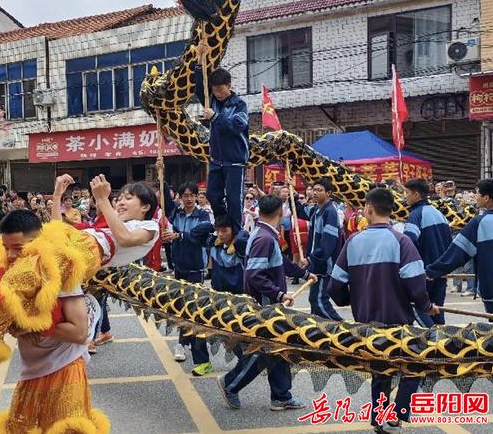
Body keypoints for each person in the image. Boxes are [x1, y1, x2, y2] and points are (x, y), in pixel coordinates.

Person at [329, 188, 439, 433]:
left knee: (381, 369)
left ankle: (379, 417)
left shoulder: (352, 242)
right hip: (399, 321)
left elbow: (334, 286)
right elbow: (416, 286)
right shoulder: (402, 242)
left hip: (366, 322)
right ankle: (398, 413)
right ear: (391, 209)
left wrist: (351, 299)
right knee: (415, 364)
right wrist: (427, 307)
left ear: (368, 208)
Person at [0, 210, 109, 433]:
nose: (11, 255)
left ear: (37, 242)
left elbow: (79, 332)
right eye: (6, 248)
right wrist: (18, 327)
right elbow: (11, 321)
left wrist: (30, 326)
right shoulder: (15, 273)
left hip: (64, 368)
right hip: (33, 370)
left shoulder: (58, 275)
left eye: (18, 248)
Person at [217, 195, 315, 411]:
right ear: (280, 213)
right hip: (266, 306)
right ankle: (231, 383)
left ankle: (281, 395)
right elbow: (254, 275)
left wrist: (305, 273)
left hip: (271, 305)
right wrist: (279, 295)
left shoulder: (265, 234)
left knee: (279, 349)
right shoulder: (264, 238)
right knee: (263, 351)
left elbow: (280, 263)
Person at [53, 174, 159, 268]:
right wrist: (57, 195)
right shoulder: (108, 224)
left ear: (145, 207)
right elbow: (57, 231)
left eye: (128, 198)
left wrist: (102, 199)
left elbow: (126, 239)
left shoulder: (150, 226)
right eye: (119, 199)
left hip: (73, 263)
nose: (120, 203)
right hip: (63, 254)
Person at [426, 179, 493, 314]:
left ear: (487, 198)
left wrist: (431, 272)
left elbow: (456, 254)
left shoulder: (479, 223)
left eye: (477, 193)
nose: (475, 197)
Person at [161, 182, 211, 373]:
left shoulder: (203, 216)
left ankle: (183, 342)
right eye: (185, 196)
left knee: (193, 309)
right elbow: (165, 203)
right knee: (181, 306)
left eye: (192, 195)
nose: (188, 199)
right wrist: (163, 178)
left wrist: (178, 236)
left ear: (197, 197)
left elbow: (197, 236)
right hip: (179, 266)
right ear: (180, 198)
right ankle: (185, 341)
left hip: (196, 268)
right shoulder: (177, 214)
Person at [203, 68, 249, 233]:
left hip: (235, 161)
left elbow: (237, 126)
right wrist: (199, 66)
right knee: (212, 196)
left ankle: (237, 234)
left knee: (234, 200)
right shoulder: (211, 100)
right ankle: (223, 226)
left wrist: (215, 117)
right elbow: (199, 85)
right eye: (214, 90)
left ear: (229, 86)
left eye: (221, 90)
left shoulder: (239, 104)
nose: (217, 94)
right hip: (216, 160)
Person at [402, 179, 452, 326]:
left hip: (424, 271)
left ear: (416, 195)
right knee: (437, 309)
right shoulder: (438, 213)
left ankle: (433, 339)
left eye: (407, 193)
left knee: (418, 307)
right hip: (440, 271)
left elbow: (408, 243)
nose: (405, 197)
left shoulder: (416, 215)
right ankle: (443, 341)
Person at [294, 178, 343, 321]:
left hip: (324, 265)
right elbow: (300, 211)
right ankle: (319, 332)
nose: (315, 193)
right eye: (314, 190)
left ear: (329, 193)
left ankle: (341, 328)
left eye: (319, 190)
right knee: (314, 300)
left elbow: (328, 243)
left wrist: (311, 259)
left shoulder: (330, 212)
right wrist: (293, 194)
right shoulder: (316, 210)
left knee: (319, 300)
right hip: (316, 264)